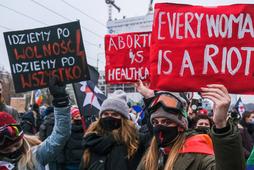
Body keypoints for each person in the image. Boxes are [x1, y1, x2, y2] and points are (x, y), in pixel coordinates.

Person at [136, 81, 245, 170]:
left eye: (167, 122)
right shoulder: (151, 155)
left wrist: (221, 125)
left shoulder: (199, 155)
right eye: (155, 122)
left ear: (181, 126)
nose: (159, 127)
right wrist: (150, 98)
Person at [0, 77, 71, 169]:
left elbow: (61, 134)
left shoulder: (36, 156)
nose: (14, 150)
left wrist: (61, 100)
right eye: (7, 150)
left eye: (17, 145)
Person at [80, 90, 150, 170]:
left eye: (115, 115)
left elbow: (153, 133)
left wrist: (150, 99)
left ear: (124, 119)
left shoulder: (135, 140)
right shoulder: (91, 140)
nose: (109, 117)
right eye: (105, 114)